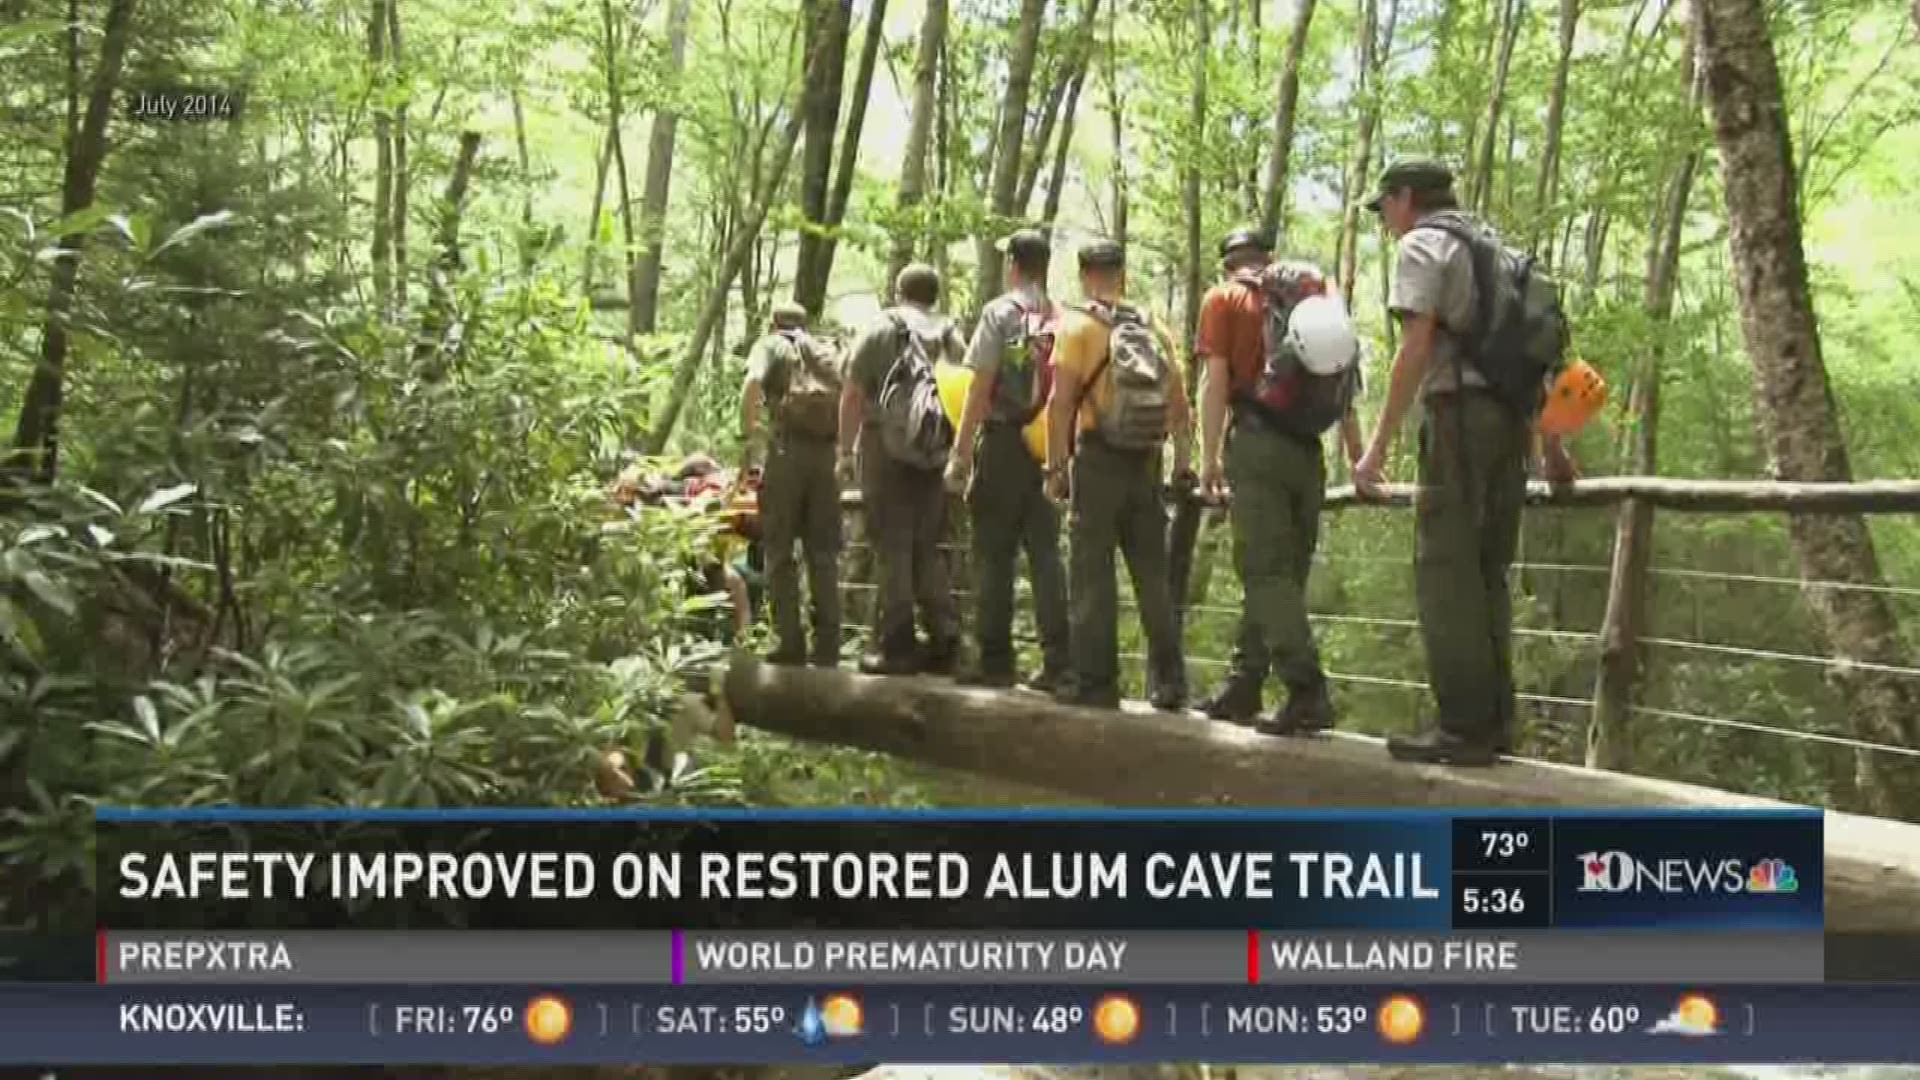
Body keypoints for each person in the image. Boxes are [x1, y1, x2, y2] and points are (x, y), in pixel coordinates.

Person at [1354, 160, 1577, 766]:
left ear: (1406, 199)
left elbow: (1416, 348)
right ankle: (1495, 721)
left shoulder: (1427, 247)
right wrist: (1552, 446)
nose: (1387, 224)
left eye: (1387, 209)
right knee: (1487, 570)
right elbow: (1539, 359)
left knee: (1444, 567)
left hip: (1459, 417)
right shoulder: (1500, 251)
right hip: (1512, 423)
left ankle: (1462, 726)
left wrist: (1375, 449)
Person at [1195, 228, 1364, 734]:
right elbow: (1344, 382)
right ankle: (1244, 684)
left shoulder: (1224, 299)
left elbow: (1216, 383)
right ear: (1268, 259)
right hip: (1308, 450)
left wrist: (1208, 460)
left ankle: (1306, 690)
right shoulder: (1312, 300)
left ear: (1228, 264)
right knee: (1279, 575)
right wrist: (1360, 458)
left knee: (1264, 571)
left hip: (1258, 445)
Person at [1046, 238, 1192, 712]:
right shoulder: (1153, 327)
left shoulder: (1077, 327)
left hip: (1098, 458)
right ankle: (1170, 684)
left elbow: (1060, 402)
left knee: (1091, 573)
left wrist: (1056, 466)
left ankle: (1097, 683)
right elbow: (1180, 407)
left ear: (1085, 274)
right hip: (1147, 461)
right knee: (1153, 575)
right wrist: (1183, 463)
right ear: (1121, 274)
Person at [944, 229, 1071, 692]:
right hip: (1045, 446)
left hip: (1001, 445)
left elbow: (979, 386)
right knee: (1045, 556)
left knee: (993, 554)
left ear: (1014, 264)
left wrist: (961, 453)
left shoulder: (999, 313)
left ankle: (995, 660)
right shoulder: (1061, 317)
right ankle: (1059, 661)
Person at [839, 264, 967, 676]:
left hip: (886, 449)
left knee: (892, 545)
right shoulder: (951, 335)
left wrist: (844, 450)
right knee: (925, 546)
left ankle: (897, 647)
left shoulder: (881, 329)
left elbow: (854, 394)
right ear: (934, 294)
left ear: (898, 291)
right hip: (933, 451)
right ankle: (945, 637)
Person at [741, 301, 843, 667]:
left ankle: (790, 641)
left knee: (779, 550)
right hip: (826, 457)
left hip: (785, 453)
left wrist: (748, 439)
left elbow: (753, 384)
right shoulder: (823, 352)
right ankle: (829, 645)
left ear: (773, 323)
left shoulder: (770, 346)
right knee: (824, 554)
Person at [610, 454, 756, 642]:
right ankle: (744, 636)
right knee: (732, 583)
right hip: (689, 545)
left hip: (695, 545)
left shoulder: (694, 486)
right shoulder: (701, 485)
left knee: (731, 582)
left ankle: (743, 636)